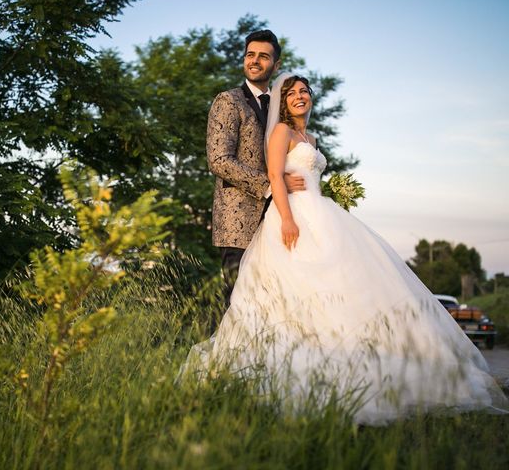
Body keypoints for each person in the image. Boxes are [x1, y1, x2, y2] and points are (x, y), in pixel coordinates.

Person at [183, 72, 508, 425]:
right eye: (292, 93)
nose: (300, 97)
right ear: (283, 101)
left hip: (321, 213)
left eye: (305, 92)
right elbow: (276, 176)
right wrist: (288, 219)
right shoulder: (281, 132)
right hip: (291, 215)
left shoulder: (311, 136)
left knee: (347, 286)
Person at [206, 30, 305, 333]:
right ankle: (223, 375)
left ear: (275, 65)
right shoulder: (229, 101)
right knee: (237, 305)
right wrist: (272, 185)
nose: (255, 60)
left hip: (275, 223)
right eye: (250, 54)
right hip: (237, 224)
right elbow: (219, 160)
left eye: (263, 56)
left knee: (272, 306)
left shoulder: (280, 109)